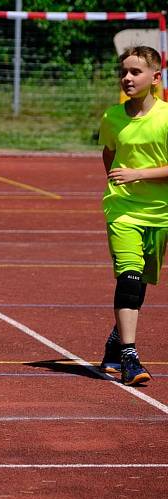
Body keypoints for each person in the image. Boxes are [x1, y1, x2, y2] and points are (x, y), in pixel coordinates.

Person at [97, 46, 168, 386]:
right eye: (123, 71)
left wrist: (139, 175)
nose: (127, 77)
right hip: (122, 211)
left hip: (160, 215)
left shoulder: (166, 117)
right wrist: (120, 184)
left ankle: (113, 343)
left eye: (135, 72)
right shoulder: (112, 117)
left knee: (139, 285)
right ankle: (129, 355)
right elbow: (109, 154)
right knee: (128, 277)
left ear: (156, 77)